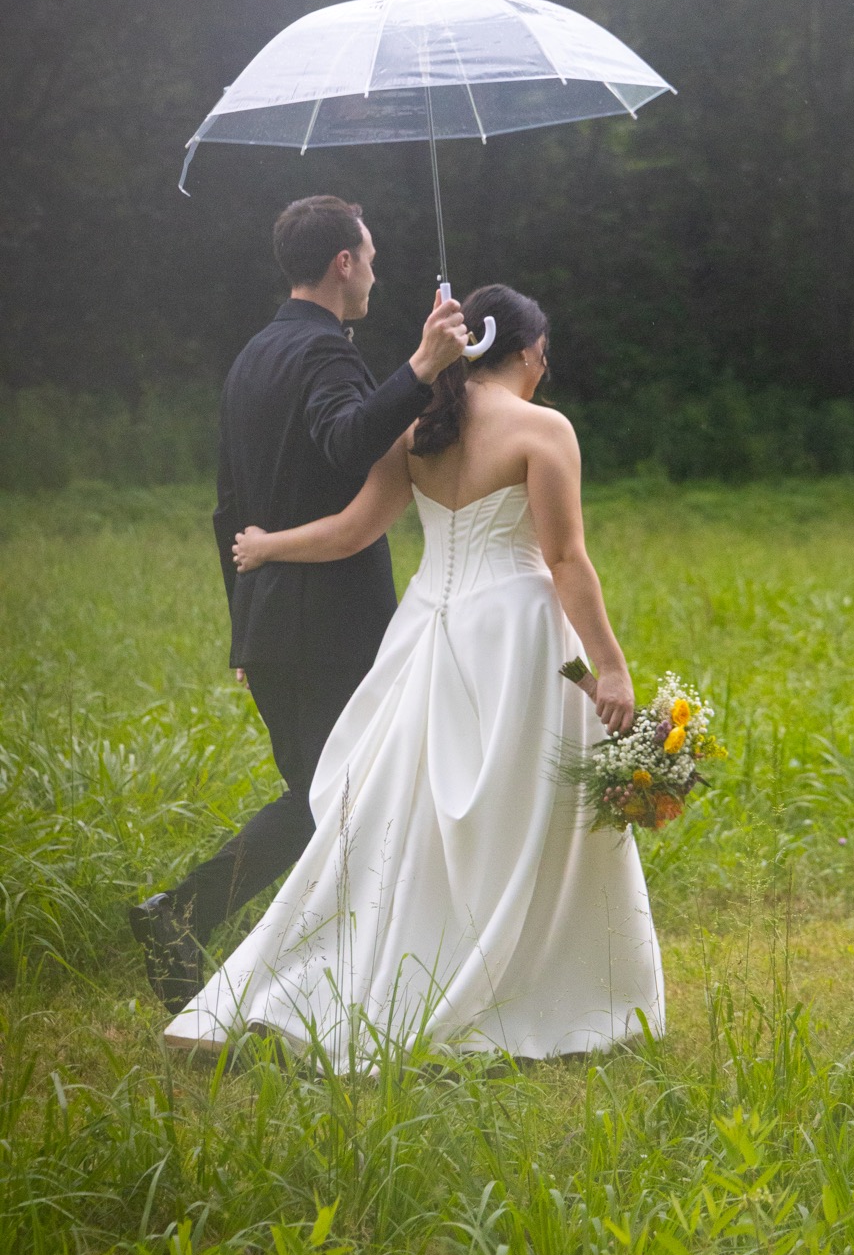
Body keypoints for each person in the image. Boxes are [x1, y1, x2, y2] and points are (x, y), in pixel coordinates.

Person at [161, 283, 663, 1064]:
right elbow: (564, 557)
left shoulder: (417, 430)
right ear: (528, 351)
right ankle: (533, 986)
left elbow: (354, 530)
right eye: (545, 352)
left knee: (415, 817)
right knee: (526, 811)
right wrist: (612, 667)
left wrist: (268, 545)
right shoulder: (543, 428)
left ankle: (399, 962)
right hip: (517, 635)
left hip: (428, 628)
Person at [129, 196, 469, 1011]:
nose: (377, 272)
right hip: (329, 621)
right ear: (343, 263)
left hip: (272, 617)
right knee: (341, 796)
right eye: (371, 256)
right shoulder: (324, 357)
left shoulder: (253, 356)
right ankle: (184, 915)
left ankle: (333, 964)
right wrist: (421, 370)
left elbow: (227, 505)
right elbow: (348, 439)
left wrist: (243, 625)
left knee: (332, 796)